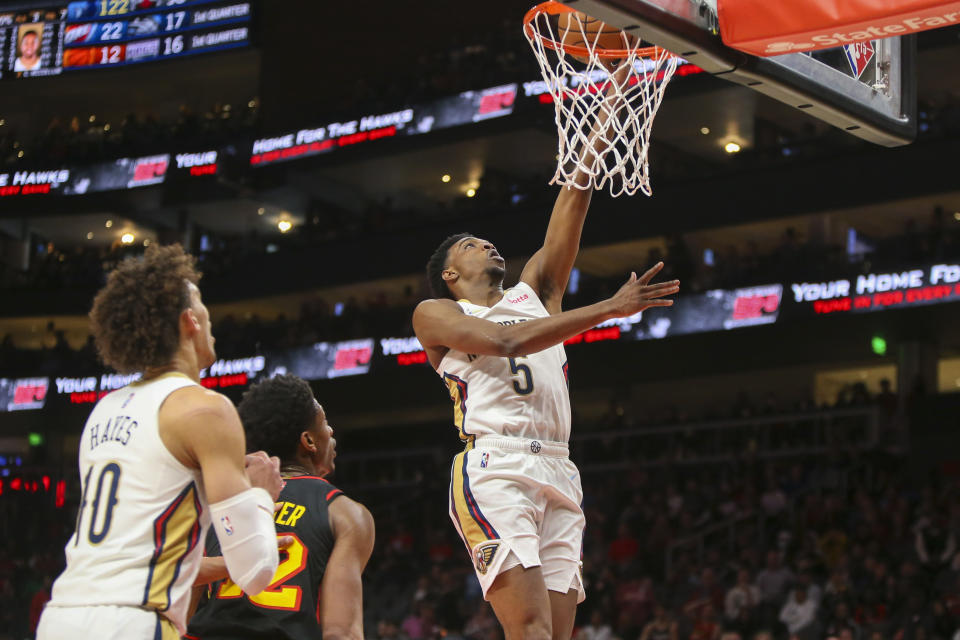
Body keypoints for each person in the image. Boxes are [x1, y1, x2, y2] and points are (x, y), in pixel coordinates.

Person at [412, 62, 680, 640]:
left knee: (558, 635)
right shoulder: (438, 315)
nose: (485, 241)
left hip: (559, 463)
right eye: (468, 244)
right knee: (529, 627)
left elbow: (572, 203)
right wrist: (610, 308)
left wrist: (606, 119)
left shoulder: (537, 294)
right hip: (496, 465)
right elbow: (505, 341)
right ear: (451, 273)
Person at [37, 245, 285, 639]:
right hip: (132, 623)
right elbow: (255, 571)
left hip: (60, 617)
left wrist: (211, 565)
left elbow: (136, 554)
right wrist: (262, 495)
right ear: (190, 322)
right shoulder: (205, 409)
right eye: (203, 305)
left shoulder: (103, 409)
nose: (209, 316)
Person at [186, 373, 375, 640]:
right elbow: (341, 633)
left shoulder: (214, 505)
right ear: (308, 441)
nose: (331, 430)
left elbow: (181, 615)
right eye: (325, 422)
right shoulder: (346, 513)